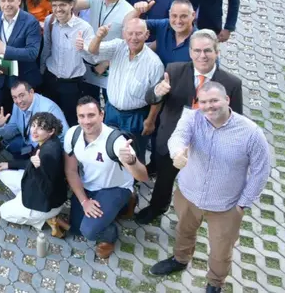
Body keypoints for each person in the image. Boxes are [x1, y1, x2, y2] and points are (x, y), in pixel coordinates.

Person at [149, 82, 270, 293]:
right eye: (203, 102)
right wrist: (177, 152)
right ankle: (180, 259)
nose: (209, 106)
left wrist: (242, 204)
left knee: (221, 250)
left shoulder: (251, 133)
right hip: (188, 195)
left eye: (214, 100)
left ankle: (215, 283)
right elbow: (178, 137)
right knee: (183, 231)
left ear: (227, 100)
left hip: (226, 206)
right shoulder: (191, 118)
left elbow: (261, 172)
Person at [138, 30, 243, 224]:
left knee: (197, 185)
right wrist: (157, 92)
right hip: (172, 140)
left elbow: (236, 121)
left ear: (217, 52)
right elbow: (150, 98)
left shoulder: (231, 83)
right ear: (190, 52)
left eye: (207, 51)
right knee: (164, 178)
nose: (202, 56)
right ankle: (158, 206)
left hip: (206, 147)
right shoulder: (174, 70)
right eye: (197, 51)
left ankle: (189, 219)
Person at [62, 97, 148, 259]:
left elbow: (143, 176)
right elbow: (71, 170)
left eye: (91, 115)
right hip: (89, 186)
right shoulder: (72, 134)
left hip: (115, 188)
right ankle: (117, 210)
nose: (86, 121)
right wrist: (84, 201)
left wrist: (132, 161)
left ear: (102, 115)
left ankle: (111, 233)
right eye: (82, 116)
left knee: (88, 231)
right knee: (75, 227)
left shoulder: (116, 141)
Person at [84, 18, 164, 163]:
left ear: (147, 35)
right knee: (108, 148)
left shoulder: (154, 63)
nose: (134, 38)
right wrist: (99, 36)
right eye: (130, 33)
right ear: (123, 34)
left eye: (139, 34)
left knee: (135, 152)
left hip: (136, 115)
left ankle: (135, 183)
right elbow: (92, 51)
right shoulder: (117, 47)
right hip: (112, 110)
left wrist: (150, 120)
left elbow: (158, 97)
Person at [0, 111, 68, 235]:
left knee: (4, 212)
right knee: (4, 173)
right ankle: (25, 204)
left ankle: (46, 219)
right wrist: (10, 164)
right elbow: (30, 163)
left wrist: (38, 167)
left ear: (51, 131)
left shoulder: (48, 154)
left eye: (41, 128)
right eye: (34, 125)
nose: (34, 130)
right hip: (35, 186)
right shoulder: (49, 142)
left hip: (46, 202)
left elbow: (47, 188)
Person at [73, 0, 133, 102]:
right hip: (89, 60)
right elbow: (74, 5)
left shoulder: (128, 11)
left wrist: (106, 63)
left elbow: (128, 45)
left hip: (111, 65)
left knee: (110, 101)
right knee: (88, 101)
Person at [39, 0, 94, 126]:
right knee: (49, 120)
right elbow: (47, 48)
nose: (58, 9)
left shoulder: (84, 27)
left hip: (72, 83)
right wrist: (41, 72)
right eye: (55, 5)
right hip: (51, 78)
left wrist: (83, 49)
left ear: (71, 5)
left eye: (62, 4)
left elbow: (92, 58)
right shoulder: (49, 21)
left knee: (71, 120)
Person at [0, 80, 68, 159]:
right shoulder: (16, 105)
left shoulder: (48, 109)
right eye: (14, 97)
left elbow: (64, 138)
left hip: (45, 151)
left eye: (21, 95)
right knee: (12, 147)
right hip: (29, 142)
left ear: (31, 92)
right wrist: (1, 126)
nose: (18, 101)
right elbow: (11, 132)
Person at [124, 0, 195, 66]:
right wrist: (137, 11)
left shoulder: (198, 39)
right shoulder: (164, 25)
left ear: (193, 15)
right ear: (169, 14)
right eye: (174, 16)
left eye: (183, 16)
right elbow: (128, 25)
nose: (178, 21)